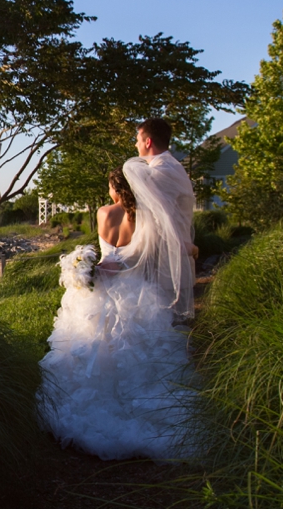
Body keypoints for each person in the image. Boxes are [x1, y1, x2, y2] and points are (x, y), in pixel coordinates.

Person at [37, 119, 198, 461]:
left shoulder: (102, 213)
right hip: (137, 293)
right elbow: (158, 249)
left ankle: (84, 415)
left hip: (101, 294)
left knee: (92, 352)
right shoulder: (145, 219)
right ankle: (146, 413)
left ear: (115, 188)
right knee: (139, 357)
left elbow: (103, 254)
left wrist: (83, 264)